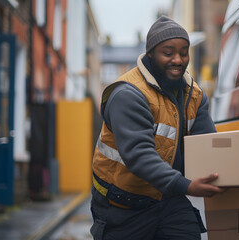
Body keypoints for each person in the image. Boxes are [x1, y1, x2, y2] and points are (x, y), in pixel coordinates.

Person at [90, 16, 224, 240]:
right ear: (151, 53)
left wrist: (228, 174)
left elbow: (207, 144)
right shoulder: (128, 94)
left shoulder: (195, 95)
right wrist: (186, 186)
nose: (178, 60)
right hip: (121, 205)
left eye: (184, 52)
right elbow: (139, 155)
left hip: (167, 200)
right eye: (168, 52)